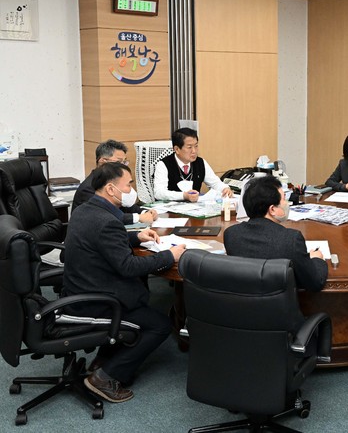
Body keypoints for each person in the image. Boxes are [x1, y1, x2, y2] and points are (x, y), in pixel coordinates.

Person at [63, 162, 186, 403]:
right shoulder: (107, 220)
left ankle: (103, 360)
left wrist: (135, 237)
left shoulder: (86, 210)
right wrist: (169, 256)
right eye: (128, 184)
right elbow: (128, 267)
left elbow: (101, 242)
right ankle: (106, 376)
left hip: (79, 288)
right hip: (97, 300)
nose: (131, 190)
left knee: (145, 309)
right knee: (160, 325)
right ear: (110, 189)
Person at [224, 175, 328, 295]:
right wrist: (316, 258)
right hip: (282, 312)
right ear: (272, 209)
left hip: (241, 309)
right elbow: (315, 283)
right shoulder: (292, 239)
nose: (287, 203)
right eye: (284, 199)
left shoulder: (231, 235)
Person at [73, 139, 158, 225]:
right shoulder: (88, 188)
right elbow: (105, 217)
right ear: (102, 161)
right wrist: (138, 217)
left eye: (124, 162)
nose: (122, 166)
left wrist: (145, 212)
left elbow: (125, 206)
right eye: (118, 162)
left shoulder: (114, 182)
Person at [153, 127, 232, 202]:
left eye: (196, 146)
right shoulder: (163, 164)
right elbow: (159, 193)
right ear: (177, 149)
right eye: (189, 147)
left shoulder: (200, 162)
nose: (194, 151)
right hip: (170, 211)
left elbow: (215, 183)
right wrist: (184, 196)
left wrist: (225, 188)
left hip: (195, 210)